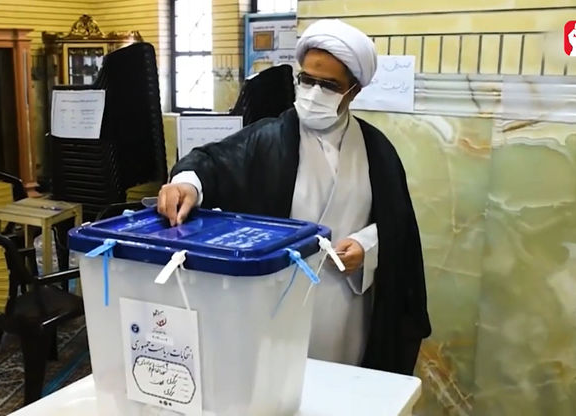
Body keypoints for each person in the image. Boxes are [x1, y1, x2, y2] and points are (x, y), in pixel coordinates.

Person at [158, 19, 431, 375]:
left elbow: (398, 227)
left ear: (353, 91)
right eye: (307, 80)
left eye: (329, 85)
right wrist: (186, 184)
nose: (314, 92)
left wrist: (367, 246)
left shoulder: (378, 151)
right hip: (276, 303)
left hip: (346, 306)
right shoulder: (267, 138)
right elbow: (212, 162)